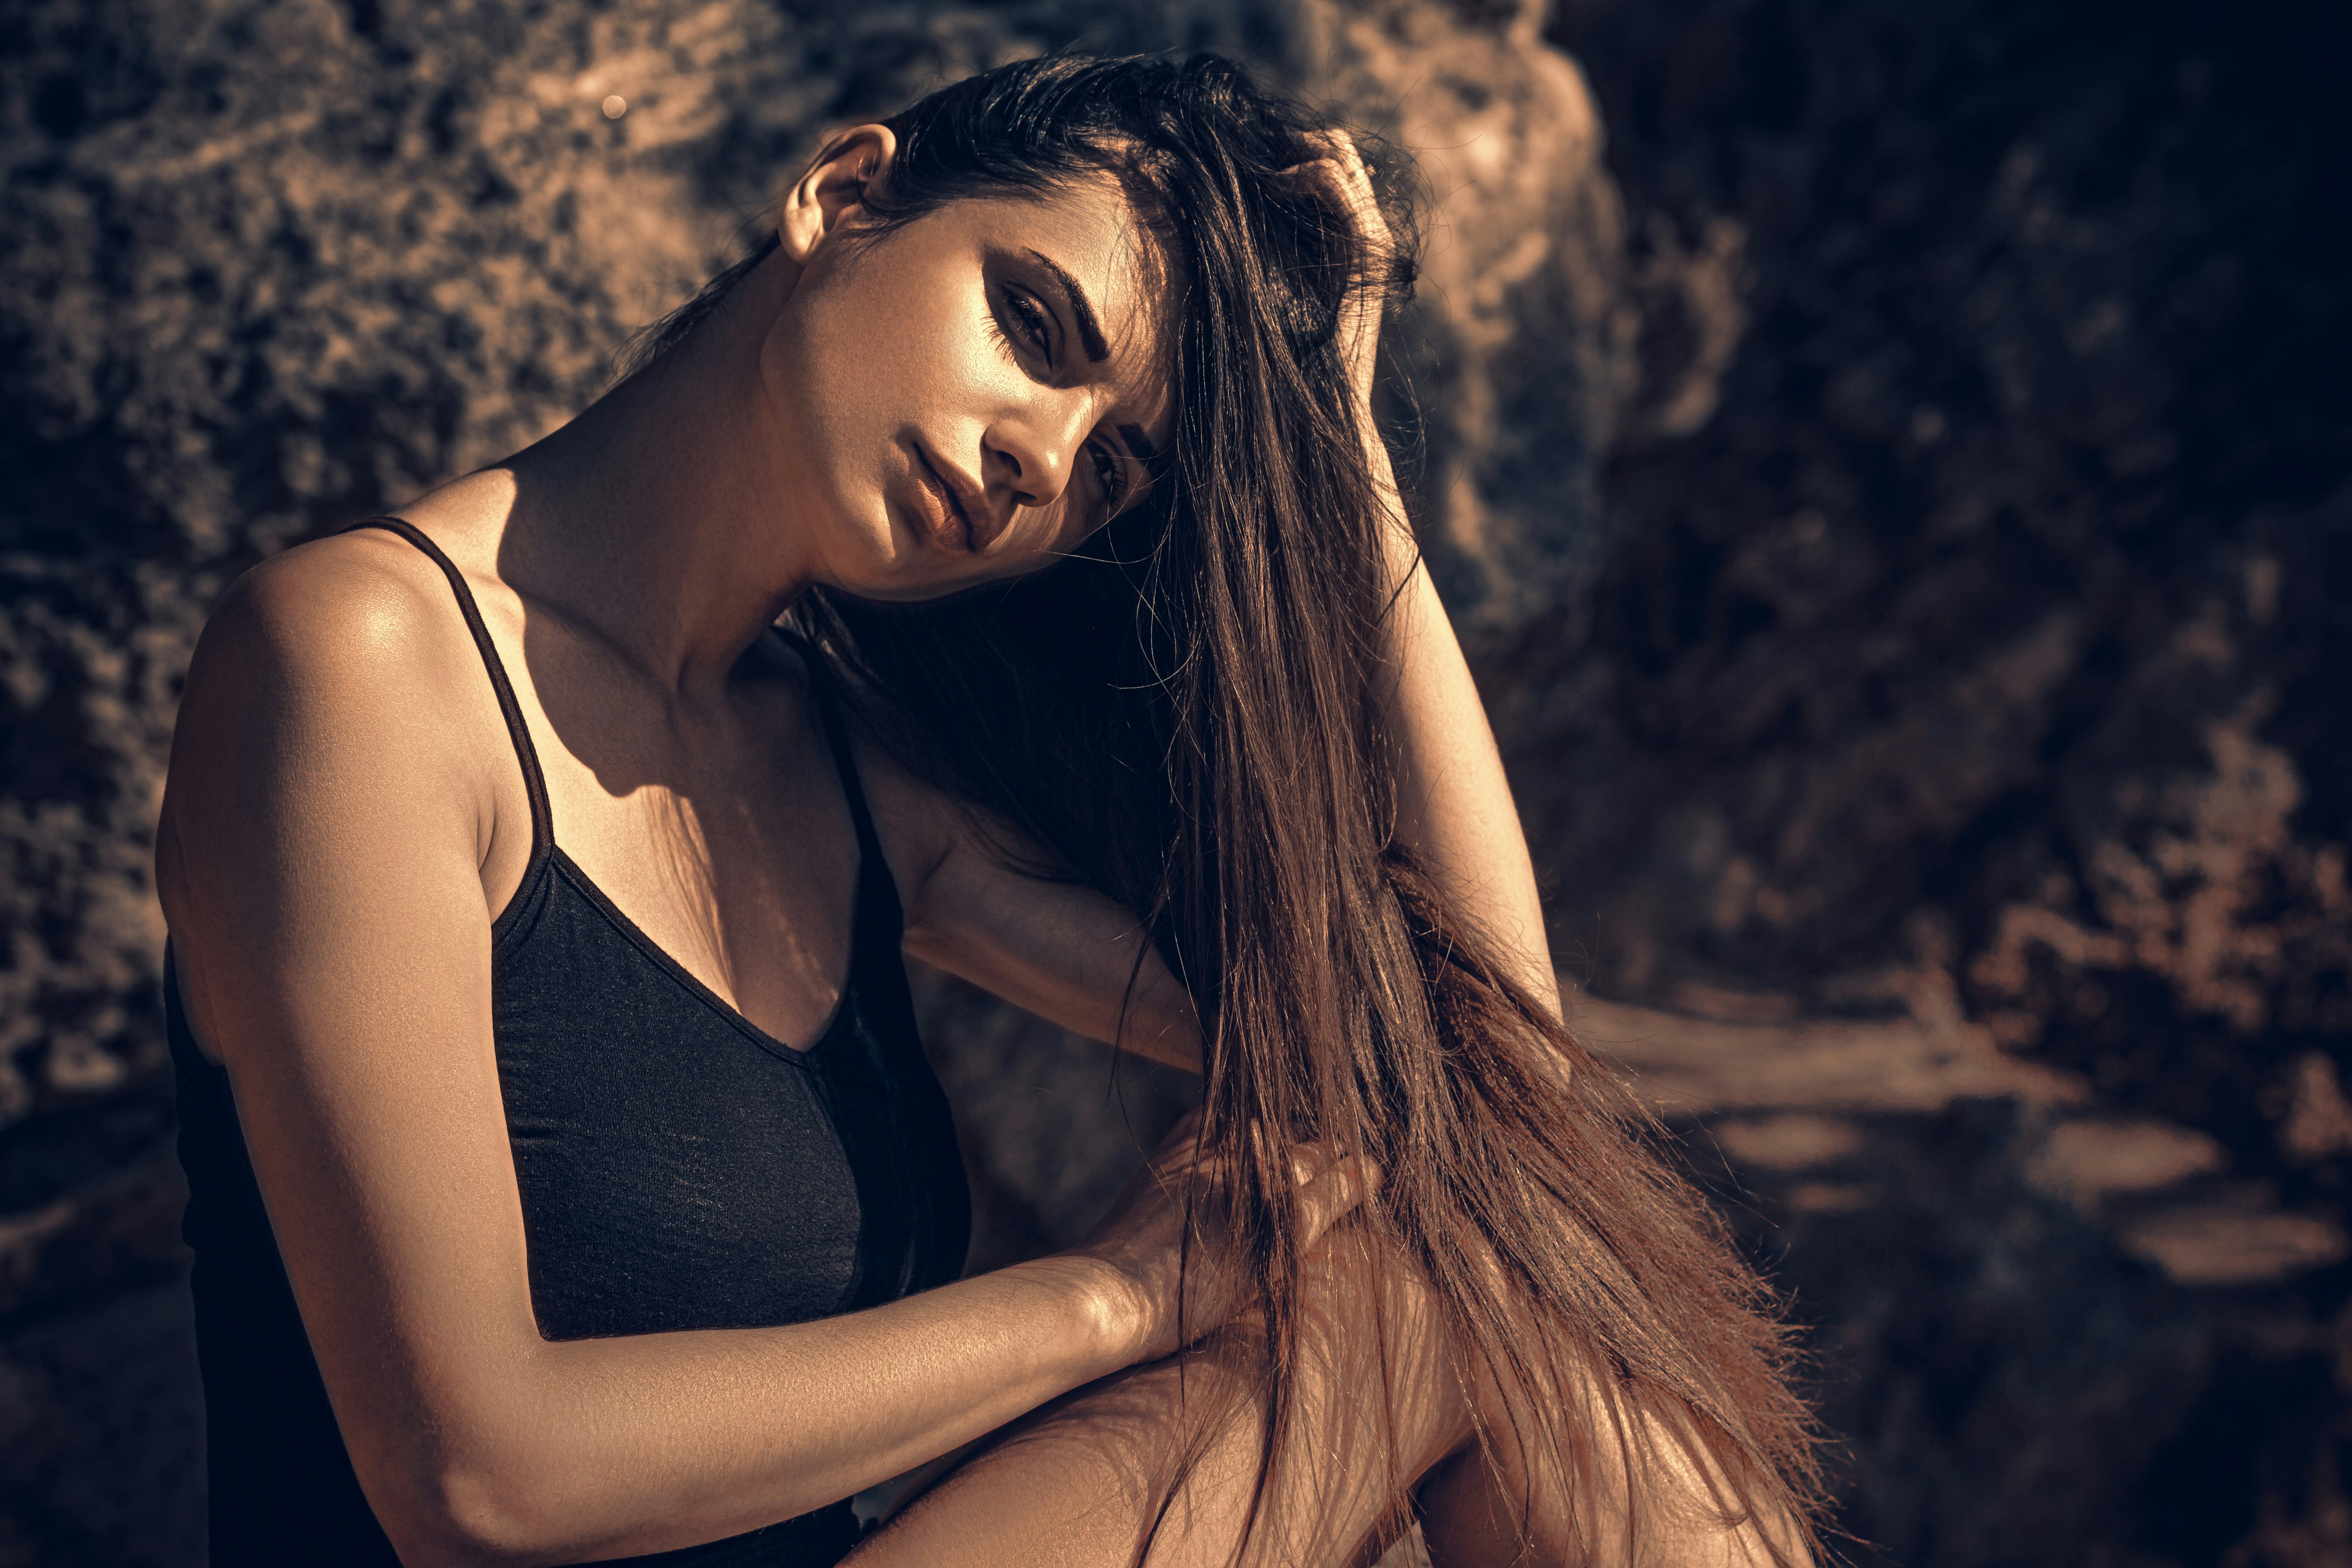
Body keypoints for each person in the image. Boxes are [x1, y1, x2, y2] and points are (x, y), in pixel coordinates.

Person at [158, 52, 1824, 1568]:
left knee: (1476, 1267)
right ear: (842, 194)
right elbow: (475, 1479)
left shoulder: (840, 775)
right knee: (1456, 1301)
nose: (1046, 458)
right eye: (1034, 325)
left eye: (1113, 468)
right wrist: (1109, 1300)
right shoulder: (358, 664)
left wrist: (1345, 469)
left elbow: (1470, 1069)